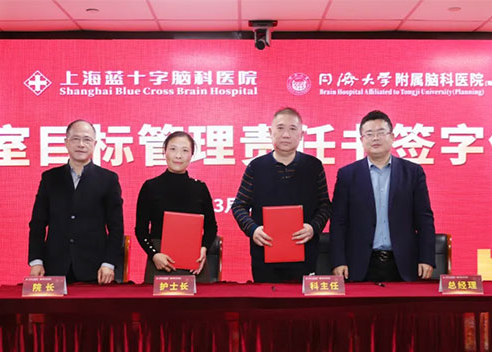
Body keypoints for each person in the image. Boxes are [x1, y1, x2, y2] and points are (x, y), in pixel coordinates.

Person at [330, 110, 435, 282]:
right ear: (362, 140)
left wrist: (427, 258)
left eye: (380, 133)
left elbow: (424, 219)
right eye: (369, 134)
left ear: (392, 137)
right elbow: (338, 222)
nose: (375, 138)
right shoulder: (347, 175)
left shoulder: (413, 173)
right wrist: (338, 261)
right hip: (359, 264)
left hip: (403, 263)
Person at [232, 107, 331, 283]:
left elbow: (324, 205)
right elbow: (239, 206)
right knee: (267, 300)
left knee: (301, 300)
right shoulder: (256, 167)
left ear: (301, 134)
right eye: (280, 128)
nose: (286, 134)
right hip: (264, 254)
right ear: (270, 132)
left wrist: (313, 228)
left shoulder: (313, 166)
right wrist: (253, 230)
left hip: (305, 254)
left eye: (292, 129)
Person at [28, 119, 124, 284]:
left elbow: (116, 227)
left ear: (94, 144)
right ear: (66, 142)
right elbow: (38, 223)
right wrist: (36, 260)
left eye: (87, 140)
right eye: (75, 139)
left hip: (96, 268)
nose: (81, 144)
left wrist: (108, 263)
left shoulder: (108, 179)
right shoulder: (50, 178)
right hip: (55, 266)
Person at [135, 131, 218, 283]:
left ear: (192, 155)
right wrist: (154, 254)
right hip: (160, 261)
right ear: (164, 151)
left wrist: (204, 249)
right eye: (173, 149)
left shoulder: (200, 188)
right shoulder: (150, 187)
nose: (178, 155)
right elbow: (140, 230)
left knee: (200, 299)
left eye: (185, 150)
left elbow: (211, 227)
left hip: (194, 262)